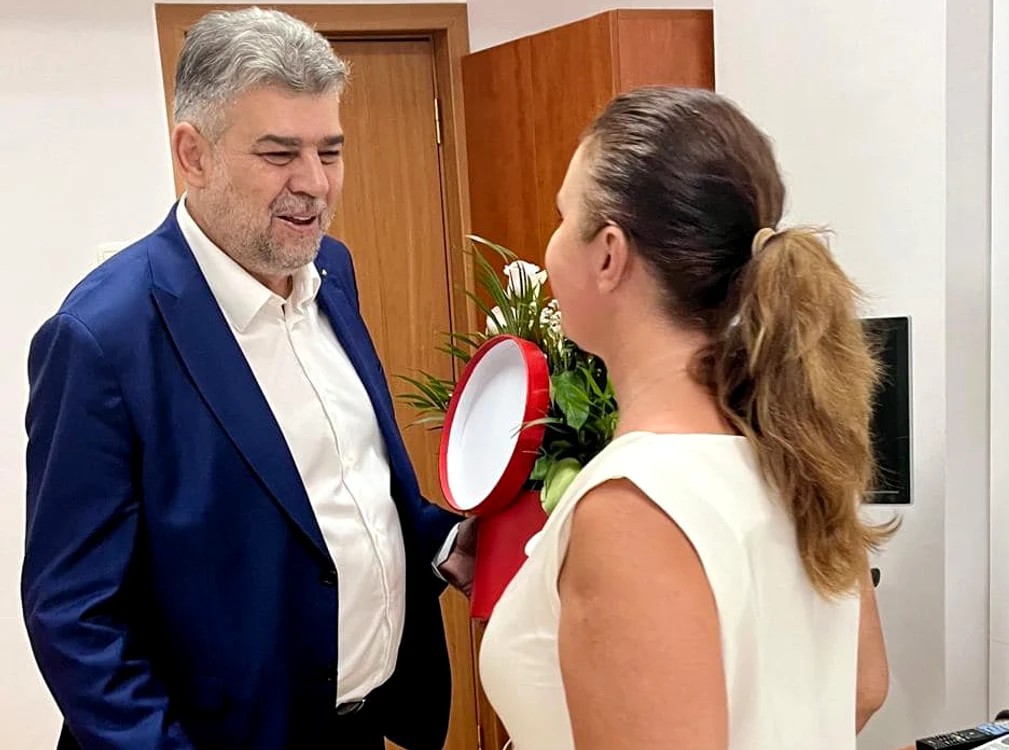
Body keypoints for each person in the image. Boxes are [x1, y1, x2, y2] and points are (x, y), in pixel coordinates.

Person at [22, 8, 473, 749]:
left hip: (359, 727)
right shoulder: (103, 337)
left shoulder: (332, 271)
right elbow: (74, 615)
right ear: (192, 154)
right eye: (278, 153)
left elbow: (341, 486)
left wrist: (443, 540)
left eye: (330, 151)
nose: (314, 184)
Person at [479, 86, 892, 749]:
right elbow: (861, 687)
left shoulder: (635, 505)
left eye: (562, 216)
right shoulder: (795, 453)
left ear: (609, 254)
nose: (550, 245)